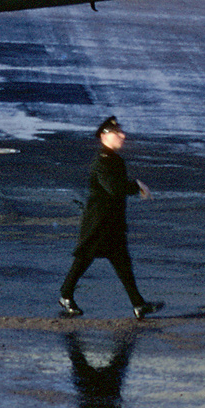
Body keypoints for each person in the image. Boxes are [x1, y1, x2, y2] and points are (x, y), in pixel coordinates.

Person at [59, 116, 162, 320]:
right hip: (99, 223)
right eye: (118, 133)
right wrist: (136, 186)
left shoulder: (113, 159)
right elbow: (113, 188)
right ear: (106, 136)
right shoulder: (102, 161)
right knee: (84, 260)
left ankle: (138, 305)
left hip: (111, 223)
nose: (123, 135)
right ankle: (65, 294)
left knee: (122, 264)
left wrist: (135, 187)